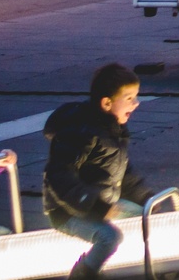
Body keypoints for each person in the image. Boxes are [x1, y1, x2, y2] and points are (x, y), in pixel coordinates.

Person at [44, 62, 154, 280]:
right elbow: (59, 176)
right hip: (68, 211)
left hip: (102, 203)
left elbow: (124, 172)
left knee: (149, 216)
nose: (137, 104)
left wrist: (145, 198)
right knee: (109, 237)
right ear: (106, 103)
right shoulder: (82, 132)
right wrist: (96, 206)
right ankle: (83, 275)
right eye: (130, 98)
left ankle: (161, 267)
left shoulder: (113, 129)